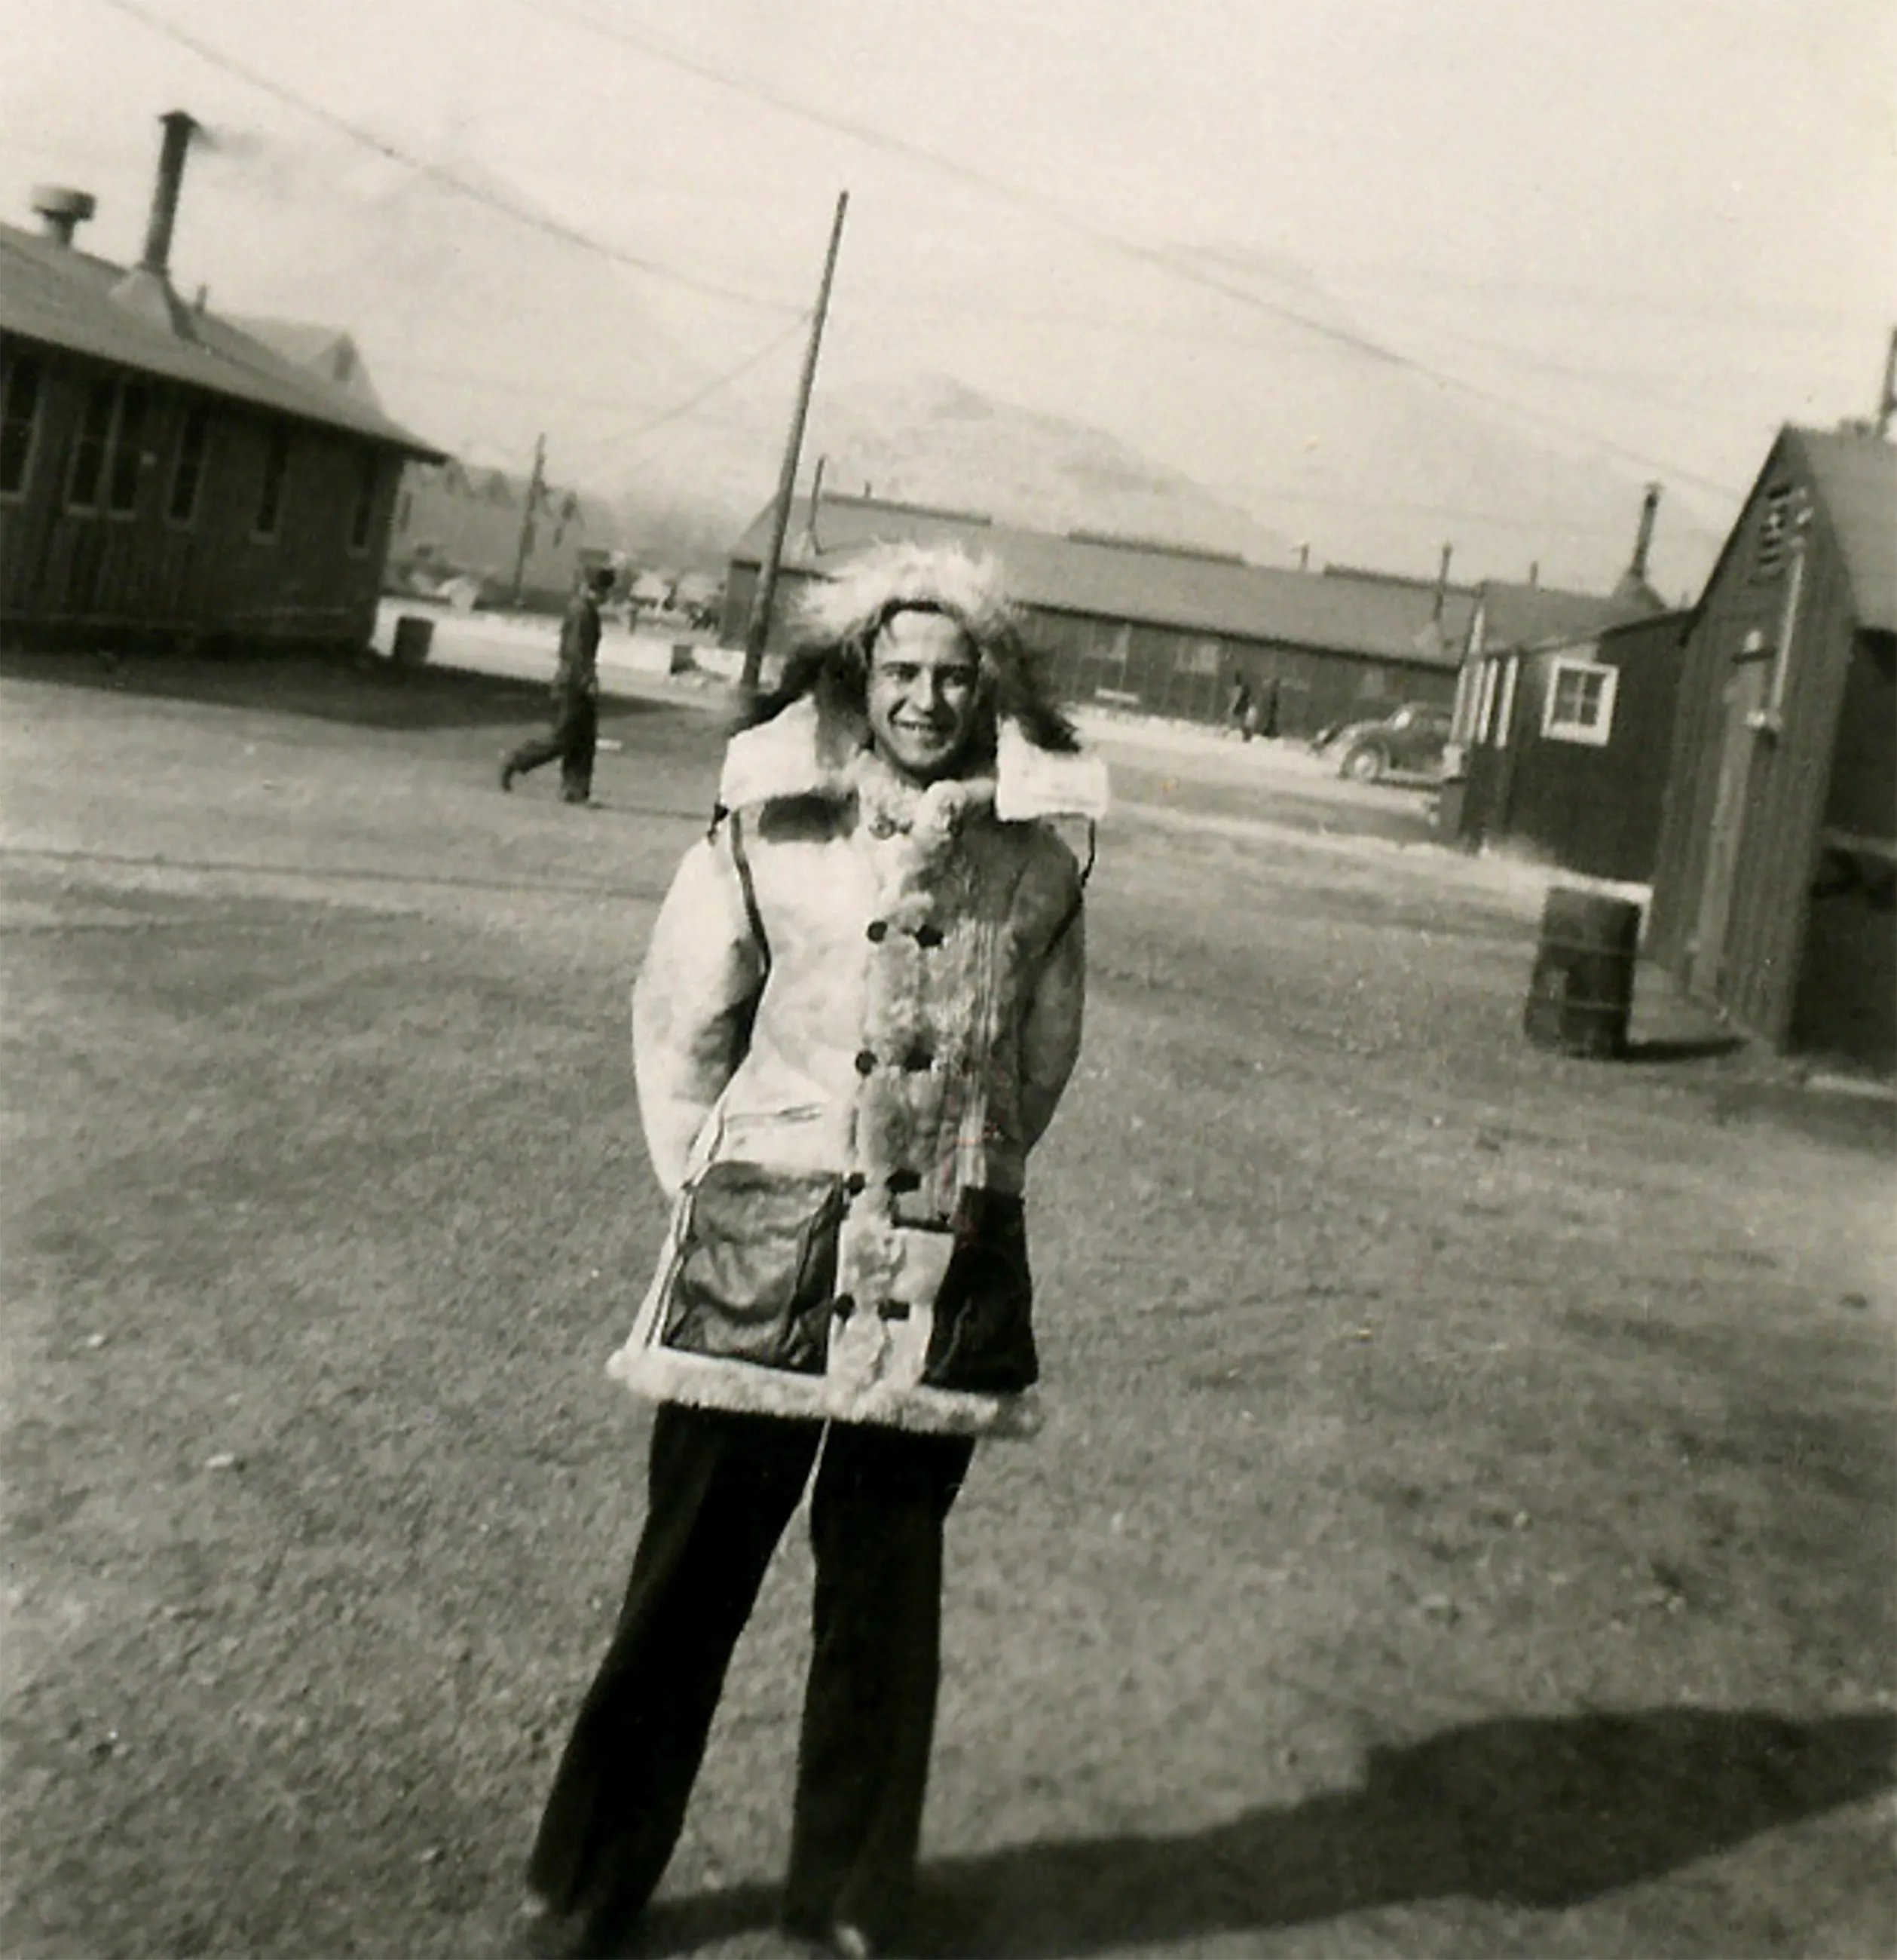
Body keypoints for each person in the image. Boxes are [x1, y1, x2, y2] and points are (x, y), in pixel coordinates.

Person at [516, 543, 1106, 1960]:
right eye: (901, 672)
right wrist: (717, 1187)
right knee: (690, 1579)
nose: (925, 700)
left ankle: (846, 1901)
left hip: (938, 1260)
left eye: (955, 678)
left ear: (991, 693)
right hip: (761, 1244)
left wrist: (964, 1173)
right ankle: (588, 1884)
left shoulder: (1036, 864)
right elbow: (681, 1019)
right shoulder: (766, 825)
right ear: (857, 675)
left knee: (886, 1597)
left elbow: (1039, 1060)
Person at [500, 565, 615, 804]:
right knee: (564, 737)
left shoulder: (582, 608)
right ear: (599, 590)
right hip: (573, 682)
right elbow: (577, 651)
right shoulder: (583, 612)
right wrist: (587, 681)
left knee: (583, 738)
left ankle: (575, 790)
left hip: (573, 679)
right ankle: (517, 760)